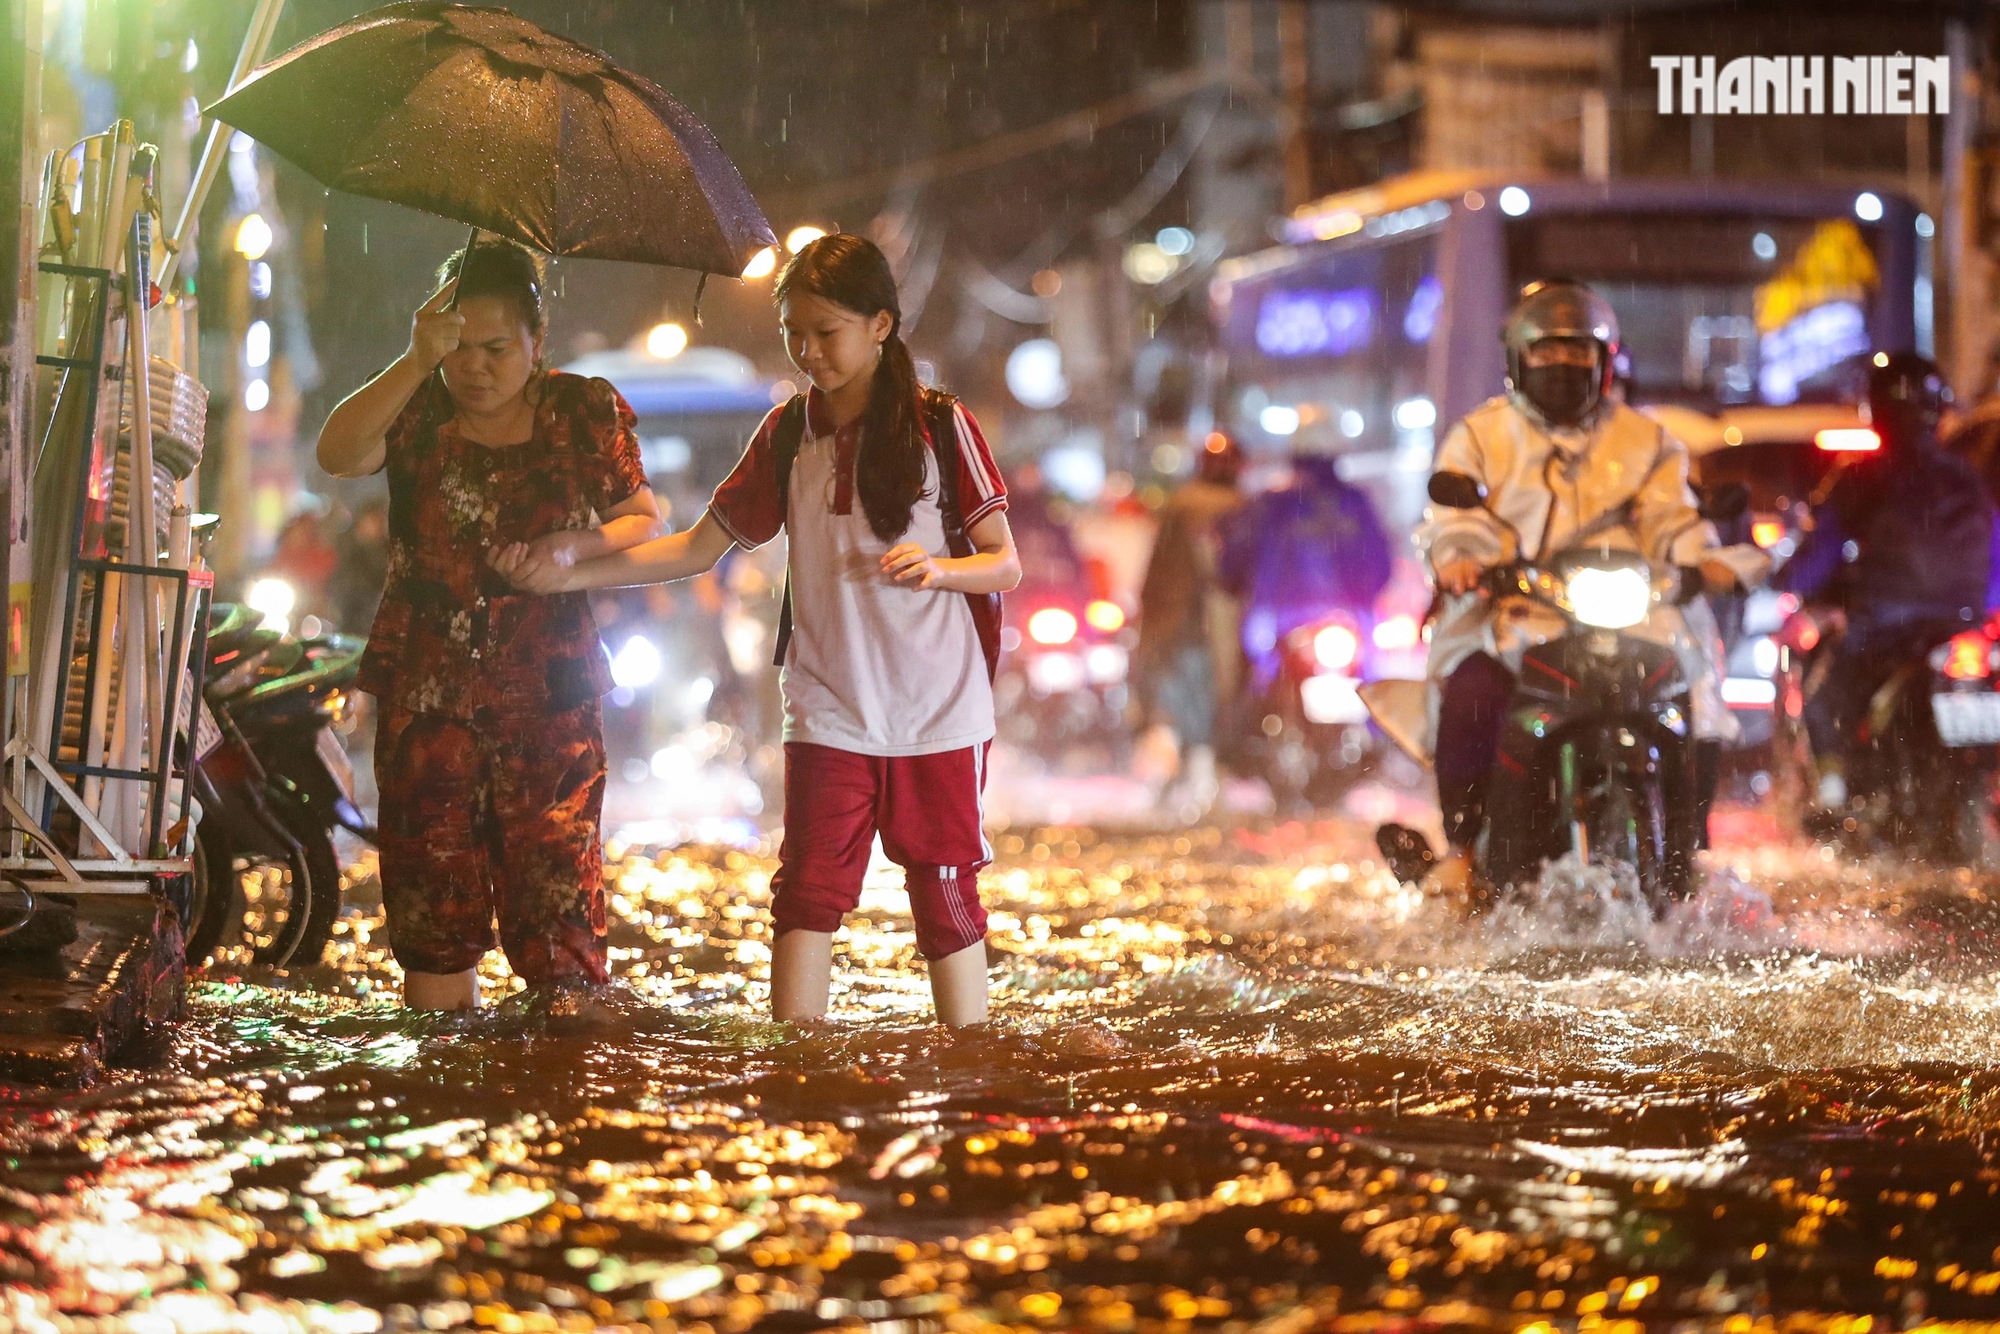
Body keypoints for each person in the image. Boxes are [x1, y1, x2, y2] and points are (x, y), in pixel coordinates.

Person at [491, 233, 1020, 1027]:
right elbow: (696, 549)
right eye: (793, 334)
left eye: (826, 333)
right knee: (807, 890)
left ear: (881, 325)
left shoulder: (942, 426)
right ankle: (794, 1065)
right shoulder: (786, 435)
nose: (809, 352)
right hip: (828, 706)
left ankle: (972, 1059)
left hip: (938, 711)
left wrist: (942, 570)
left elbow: (1004, 563)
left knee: (944, 890)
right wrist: (564, 574)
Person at [315, 238, 665, 1010]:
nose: (474, 366)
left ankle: (557, 1093)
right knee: (432, 904)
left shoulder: (585, 409)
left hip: (551, 696)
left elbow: (643, 517)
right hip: (427, 696)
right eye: (457, 347)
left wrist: (573, 546)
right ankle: (447, 1087)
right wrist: (413, 360)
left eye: (497, 347)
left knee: (560, 914)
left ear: (537, 342)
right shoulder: (414, 407)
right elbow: (336, 453)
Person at [1417, 280, 1758, 896]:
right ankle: (1464, 851)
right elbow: (1455, 518)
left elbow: (1673, 518)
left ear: (1605, 364)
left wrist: (1695, 562)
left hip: (1631, 614)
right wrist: (1464, 559)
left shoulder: (1646, 440)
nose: (1563, 369)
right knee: (1472, 688)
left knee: (1694, 693)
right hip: (1521, 611)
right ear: (1519, 361)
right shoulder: (1480, 436)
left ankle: (1686, 852)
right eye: (1548, 355)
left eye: (1579, 356)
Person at [1780, 352, 1994, 810]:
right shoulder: (1968, 480)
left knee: (1821, 698)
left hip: (1885, 630)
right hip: (1966, 626)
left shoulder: (1860, 476)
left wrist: (1790, 581)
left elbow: (1815, 560)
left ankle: (1833, 798)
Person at [1217, 425, 1393, 697]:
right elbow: (1381, 564)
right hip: (1345, 618)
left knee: (1256, 684)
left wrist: (1232, 582)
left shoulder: (1273, 504)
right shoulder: (1355, 503)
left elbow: (1235, 560)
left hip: (1281, 617)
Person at [1134, 431, 1244, 806]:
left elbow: (1158, 569)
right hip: (1209, 626)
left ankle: (1186, 778)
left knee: (1181, 703)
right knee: (1205, 703)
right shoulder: (1238, 506)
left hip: (1189, 626)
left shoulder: (1187, 504)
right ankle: (1194, 778)